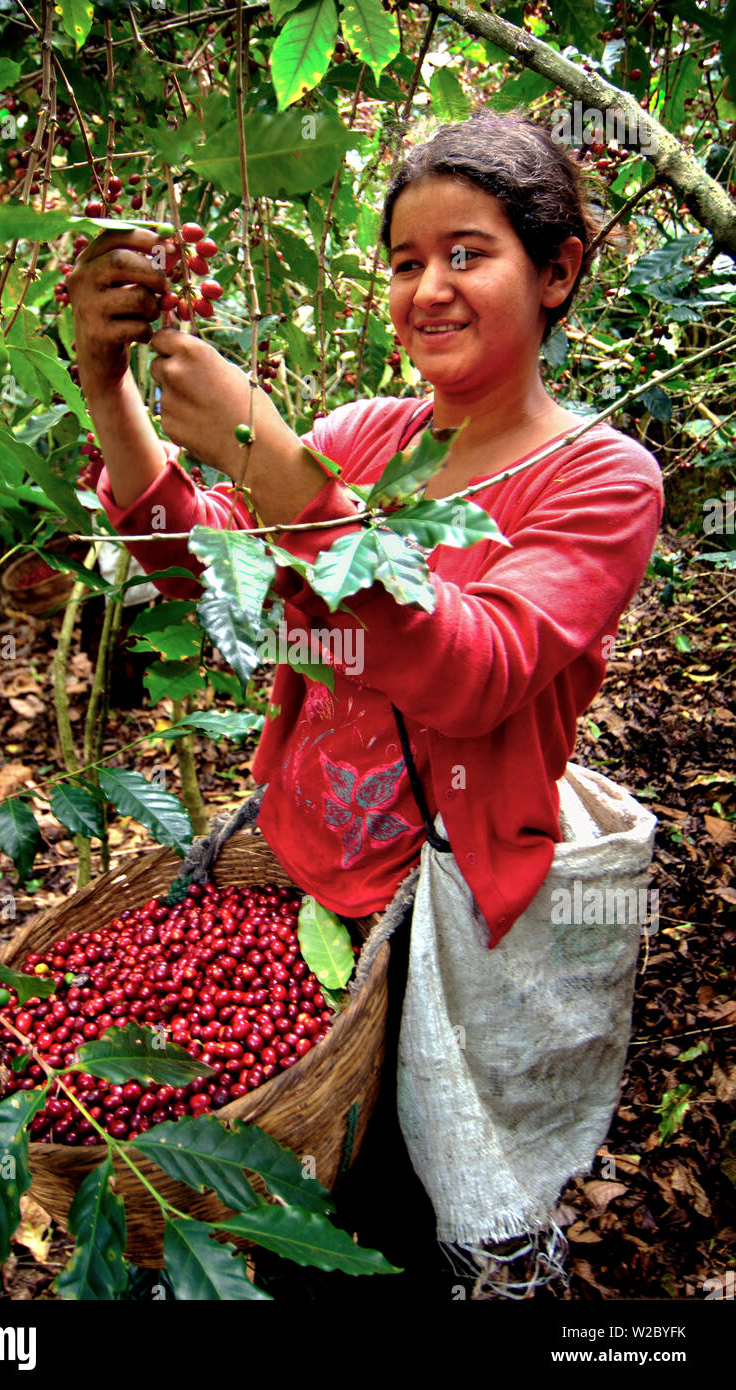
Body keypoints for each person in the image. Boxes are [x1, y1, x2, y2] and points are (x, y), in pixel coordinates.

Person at [67, 110, 664, 1293]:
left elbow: (474, 670)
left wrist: (273, 457)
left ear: (556, 273)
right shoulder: (360, 439)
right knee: (280, 1198)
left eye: (465, 253)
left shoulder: (598, 475)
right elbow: (203, 562)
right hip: (295, 879)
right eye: (403, 261)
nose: (425, 289)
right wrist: (108, 384)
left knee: (394, 1207)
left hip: (441, 917)